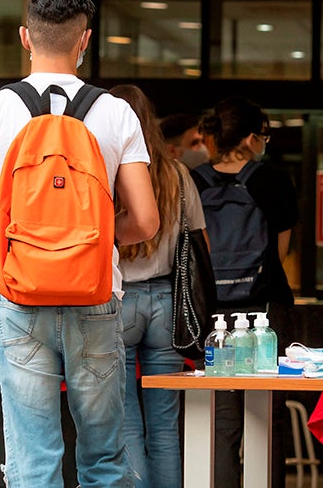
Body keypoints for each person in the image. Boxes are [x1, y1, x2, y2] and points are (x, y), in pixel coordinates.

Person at [0, 0, 159, 488]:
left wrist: (20, 240)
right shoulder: (116, 113)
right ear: (84, 40)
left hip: (20, 298)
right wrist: (92, 242)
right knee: (103, 455)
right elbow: (148, 220)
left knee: (33, 459)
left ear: (25, 37)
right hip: (95, 295)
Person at [191, 97, 297, 488]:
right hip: (266, 311)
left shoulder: (194, 180)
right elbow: (280, 253)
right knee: (267, 414)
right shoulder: (272, 180)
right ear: (253, 138)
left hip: (212, 315)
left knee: (222, 417)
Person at [110, 84, 205, 488]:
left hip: (118, 300)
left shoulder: (107, 168)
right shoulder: (177, 173)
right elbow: (200, 241)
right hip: (168, 302)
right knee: (166, 425)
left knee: (126, 420)